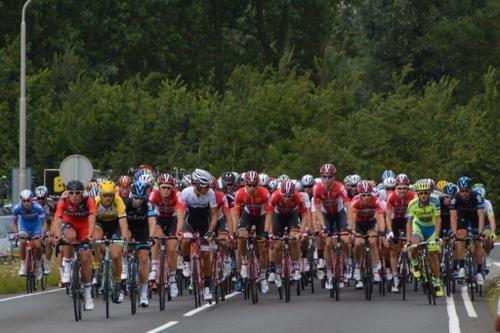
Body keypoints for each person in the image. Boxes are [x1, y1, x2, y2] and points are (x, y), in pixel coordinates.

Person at [54, 180, 96, 310]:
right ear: (67, 193)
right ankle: (67, 264)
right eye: (71, 193)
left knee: (85, 258)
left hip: (84, 226)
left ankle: (88, 295)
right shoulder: (63, 201)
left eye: (77, 193)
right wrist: (58, 235)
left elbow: (92, 218)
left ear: (82, 193)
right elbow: (58, 219)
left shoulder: (89, 200)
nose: (74, 195)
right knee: (69, 238)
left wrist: (90, 235)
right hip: (69, 224)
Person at [92, 180, 128, 303]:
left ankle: (118, 284)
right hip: (100, 224)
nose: (108, 198)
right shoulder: (95, 202)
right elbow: (90, 222)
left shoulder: (119, 202)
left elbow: (123, 223)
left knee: (115, 255)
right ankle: (96, 269)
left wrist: (124, 239)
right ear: (100, 195)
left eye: (110, 195)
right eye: (105, 195)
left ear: (114, 195)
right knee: (95, 237)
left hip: (115, 226)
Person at [407, 179, 443, 297]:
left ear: (429, 193)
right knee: (414, 245)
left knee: (433, 254)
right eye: (421, 193)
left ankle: (437, 282)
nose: (423, 195)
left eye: (426, 193)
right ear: (417, 194)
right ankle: (415, 262)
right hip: (418, 227)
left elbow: (438, 219)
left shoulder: (435, 201)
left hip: (431, 228)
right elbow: (409, 223)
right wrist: (408, 240)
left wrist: (436, 237)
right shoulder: (412, 204)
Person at [123, 181, 156, 307]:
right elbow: (123, 224)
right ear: (132, 196)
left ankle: (143, 292)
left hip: (143, 230)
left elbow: (152, 222)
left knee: (143, 258)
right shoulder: (126, 204)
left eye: (141, 199)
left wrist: (151, 237)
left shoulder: (148, 205)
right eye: (136, 198)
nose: (138, 201)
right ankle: (125, 269)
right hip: (130, 229)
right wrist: (125, 242)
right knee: (125, 245)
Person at [450, 176, 485, 285]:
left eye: (466, 191)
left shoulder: (477, 197)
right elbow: (453, 217)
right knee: (461, 236)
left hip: (475, 217)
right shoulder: (455, 198)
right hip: (463, 217)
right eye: (462, 191)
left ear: (470, 189)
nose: (464, 193)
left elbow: (481, 216)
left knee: (478, 242)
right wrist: (455, 233)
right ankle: (461, 267)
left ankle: (479, 271)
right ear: (459, 190)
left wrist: (480, 232)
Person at [12, 190, 46, 279]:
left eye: (28, 200)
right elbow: (14, 223)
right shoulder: (17, 208)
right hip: (24, 225)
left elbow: (44, 223)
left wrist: (42, 234)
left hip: (36, 225)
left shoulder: (38, 207)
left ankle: (38, 264)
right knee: (22, 241)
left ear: (32, 200)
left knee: (38, 245)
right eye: (24, 201)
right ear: (21, 201)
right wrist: (16, 233)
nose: (26, 203)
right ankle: (23, 264)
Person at [34, 186, 57, 274]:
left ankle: (47, 262)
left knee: (48, 241)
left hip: (48, 222)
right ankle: (34, 260)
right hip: (36, 223)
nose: (40, 201)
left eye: (42, 198)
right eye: (38, 198)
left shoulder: (51, 203)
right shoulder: (32, 202)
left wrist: (51, 231)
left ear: (46, 196)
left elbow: (55, 218)